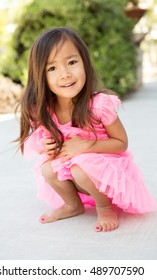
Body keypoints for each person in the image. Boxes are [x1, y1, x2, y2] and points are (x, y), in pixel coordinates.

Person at [18, 27, 157, 232]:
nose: (65, 74)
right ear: (40, 75)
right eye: (52, 68)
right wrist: (47, 146)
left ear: (85, 63)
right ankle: (73, 205)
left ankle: (105, 206)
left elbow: (121, 144)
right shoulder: (45, 109)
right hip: (76, 172)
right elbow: (40, 143)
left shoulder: (99, 104)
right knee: (47, 168)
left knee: (79, 168)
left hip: (105, 170)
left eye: (72, 62)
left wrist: (87, 145)